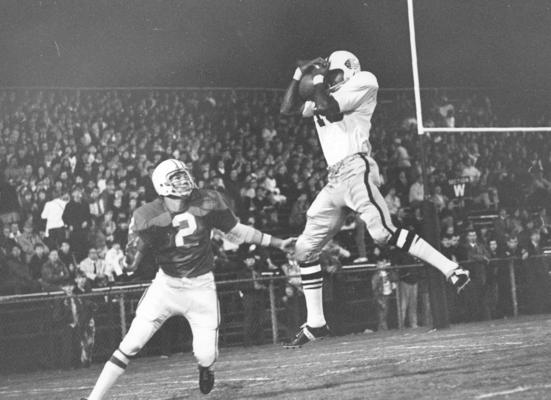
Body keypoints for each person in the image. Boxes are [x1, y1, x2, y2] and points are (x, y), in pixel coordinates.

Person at [280, 50, 470, 347]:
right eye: (328, 76)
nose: (330, 79)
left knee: (382, 232)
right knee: (304, 250)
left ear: (348, 69)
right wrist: (297, 74)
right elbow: (287, 107)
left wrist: (317, 79)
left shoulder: (364, 82)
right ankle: (316, 322)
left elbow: (329, 109)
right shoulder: (324, 91)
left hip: (357, 168)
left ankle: (451, 268)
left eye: (334, 74)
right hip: (334, 179)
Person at [82, 159, 294, 399]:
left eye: (184, 175)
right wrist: (131, 257)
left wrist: (278, 243)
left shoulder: (207, 201)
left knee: (206, 355)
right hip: (166, 287)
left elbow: (237, 231)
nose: (184, 180)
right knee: (131, 343)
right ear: (162, 184)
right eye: (177, 177)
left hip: (200, 288)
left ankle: (206, 368)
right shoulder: (147, 214)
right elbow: (133, 258)